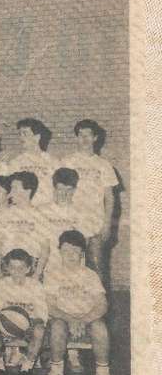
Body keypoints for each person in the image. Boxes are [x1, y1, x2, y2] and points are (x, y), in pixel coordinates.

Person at [43, 230, 113, 375]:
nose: (71, 254)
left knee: (100, 328)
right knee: (58, 327)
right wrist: (71, 319)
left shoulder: (90, 275)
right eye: (66, 250)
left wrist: (84, 319)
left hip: (87, 319)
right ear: (59, 251)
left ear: (82, 253)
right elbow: (50, 306)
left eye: (75, 250)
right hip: (63, 318)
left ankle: (103, 372)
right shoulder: (52, 274)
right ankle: (56, 371)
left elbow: (102, 304)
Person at [63, 119, 119, 285]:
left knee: (96, 269)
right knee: (71, 269)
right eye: (81, 135)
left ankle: (100, 310)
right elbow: (61, 193)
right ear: (76, 138)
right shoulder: (68, 162)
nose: (84, 139)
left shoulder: (104, 165)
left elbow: (110, 198)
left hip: (95, 225)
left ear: (95, 138)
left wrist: (107, 224)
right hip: (72, 224)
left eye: (88, 135)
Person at [0, 248, 48, 372]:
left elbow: (42, 314)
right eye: (12, 267)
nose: (16, 271)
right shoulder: (2, 284)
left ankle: (28, 365)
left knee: (40, 330)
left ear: (28, 269)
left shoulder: (35, 285)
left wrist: (26, 323)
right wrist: (8, 324)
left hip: (30, 323)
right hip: (7, 324)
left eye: (21, 268)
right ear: (6, 268)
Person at [39, 168, 96, 278]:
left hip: (74, 267)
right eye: (60, 189)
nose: (64, 194)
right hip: (49, 267)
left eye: (69, 190)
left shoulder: (83, 212)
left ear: (75, 190)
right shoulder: (42, 211)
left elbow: (85, 244)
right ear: (54, 189)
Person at [0, 171, 50, 279]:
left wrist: (37, 274)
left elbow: (45, 248)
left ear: (27, 191)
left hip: (30, 267)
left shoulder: (40, 216)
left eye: (14, 188)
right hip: (7, 266)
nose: (10, 193)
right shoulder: (5, 214)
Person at [8, 118, 58, 206]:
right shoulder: (15, 162)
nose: (21, 137)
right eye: (20, 134)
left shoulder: (52, 161)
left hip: (46, 209)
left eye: (25, 133)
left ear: (37, 137)